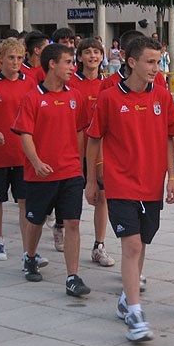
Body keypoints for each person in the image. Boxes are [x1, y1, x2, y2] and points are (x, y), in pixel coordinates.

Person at [85, 36, 174, 342]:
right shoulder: (109, 98)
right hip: (120, 184)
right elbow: (94, 140)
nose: (156, 68)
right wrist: (91, 179)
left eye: (158, 61)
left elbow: (169, 137)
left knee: (143, 242)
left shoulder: (162, 97)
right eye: (150, 62)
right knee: (132, 246)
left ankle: (127, 298)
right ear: (131, 62)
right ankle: (136, 314)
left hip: (152, 185)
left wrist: (172, 178)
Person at [12, 43, 90, 296]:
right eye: (68, 62)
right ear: (52, 64)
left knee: (73, 223)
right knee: (35, 220)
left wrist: (78, 162)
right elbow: (25, 134)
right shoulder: (32, 97)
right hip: (40, 174)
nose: (73, 67)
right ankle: (30, 256)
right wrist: (35, 162)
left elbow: (80, 130)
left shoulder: (75, 96)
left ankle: (73, 276)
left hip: (70, 172)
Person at [0, 38, 41, 263]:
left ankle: (27, 249)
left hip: (22, 156)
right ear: (0, 59)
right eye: (11, 58)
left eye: (20, 58)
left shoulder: (30, 83)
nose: (15, 62)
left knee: (24, 201)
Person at [67, 38, 116, 267]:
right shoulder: (71, 83)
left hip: (100, 152)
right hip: (73, 150)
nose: (92, 56)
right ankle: (61, 225)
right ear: (79, 57)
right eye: (87, 52)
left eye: (97, 52)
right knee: (71, 196)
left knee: (102, 197)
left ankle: (99, 245)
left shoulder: (107, 85)